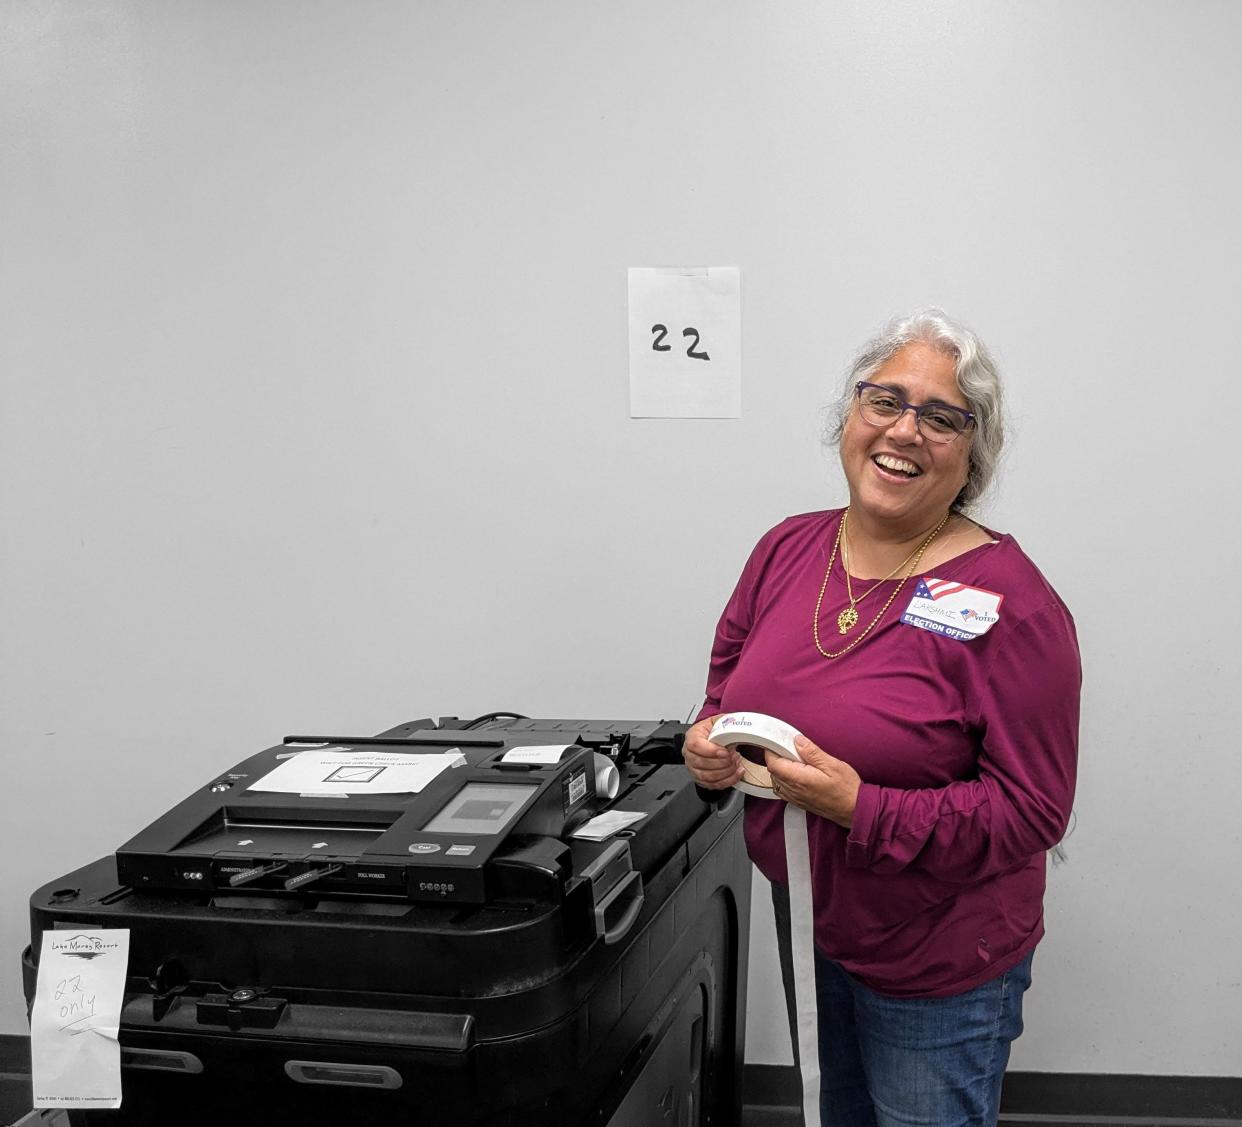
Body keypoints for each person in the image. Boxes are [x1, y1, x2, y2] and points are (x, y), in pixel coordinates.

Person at [681, 310, 1080, 1127]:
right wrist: (709, 739)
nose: (906, 430)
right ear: (849, 417)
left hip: (941, 952)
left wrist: (861, 807)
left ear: (974, 453)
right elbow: (726, 683)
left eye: (942, 417)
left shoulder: (1013, 604)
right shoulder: (787, 549)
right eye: (885, 401)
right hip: (812, 918)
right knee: (836, 1114)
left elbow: (1034, 808)